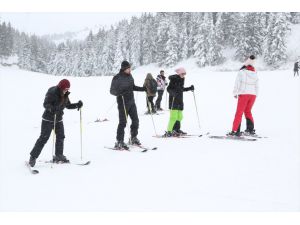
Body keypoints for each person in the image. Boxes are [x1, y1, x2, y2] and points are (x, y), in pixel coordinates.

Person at [28, 79, 83, 167]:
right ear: (61, 87)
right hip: (48, 119)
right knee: (43, 138)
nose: (66, 90)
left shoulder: (65, 94)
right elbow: (45, 104)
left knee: (61, 136)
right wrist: (51, 108)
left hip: (58, 119)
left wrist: (77, 105)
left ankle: (59, 156)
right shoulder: (52, 92)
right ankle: (32, 157)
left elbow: (67, 105)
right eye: (65, 89)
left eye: (68, 89)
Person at [110, 60, 146, 149]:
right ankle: (119, 141)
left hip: (131, 102)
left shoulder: (130, 76)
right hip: (122, 103)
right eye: (128, 68)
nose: (130, 70)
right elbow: (112, 91)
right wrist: (120, 92)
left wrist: (143, 89)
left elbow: (133, 87)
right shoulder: (117, 78)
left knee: (136, 121)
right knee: (123, 122)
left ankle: (133, 138)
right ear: (124, 69)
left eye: (130, 68)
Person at [228, 55, 259, 136]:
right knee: (248, 111)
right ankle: (250, 129)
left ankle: (235, 131)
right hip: (253, 95)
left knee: (239, 112)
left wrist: (235, 93)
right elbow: (257, 86)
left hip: (244, 94)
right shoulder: (255, 73)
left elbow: (237, 83)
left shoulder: (241, 72)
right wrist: (256, 94)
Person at [164, 67, 194, 137]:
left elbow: (181, 89)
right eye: (183, 73)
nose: (184, 75)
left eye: (185, 74)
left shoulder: (182, 79)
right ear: (179, 73)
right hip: (173, 101)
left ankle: (176, 129)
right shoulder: (174, 79)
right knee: (173, 117)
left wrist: (189, 88)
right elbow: (168, 89)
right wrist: (173, 93)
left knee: (180, 117)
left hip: (180, 101)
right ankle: (169, 130)